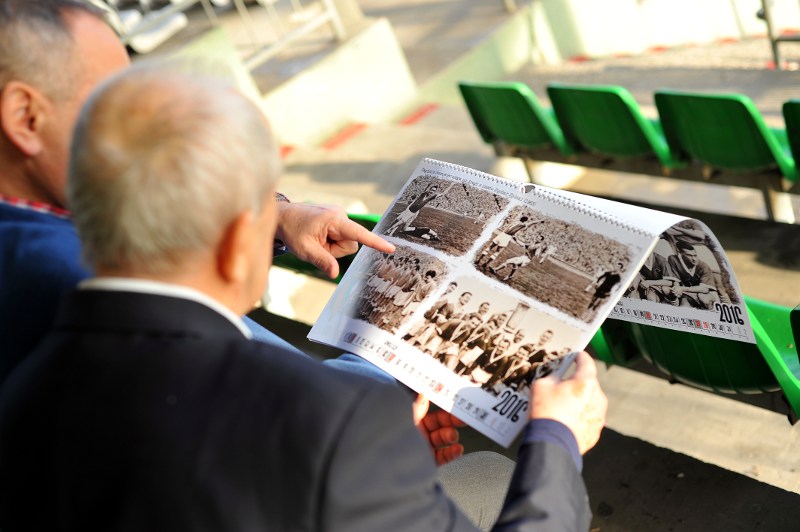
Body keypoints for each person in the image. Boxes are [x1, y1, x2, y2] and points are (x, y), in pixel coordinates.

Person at [0, 63, 607, 531]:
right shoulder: (332, 423)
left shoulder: (22, 389)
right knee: (497, 478)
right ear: (239, 243)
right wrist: (556, 441)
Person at [0, 0, 392, 386]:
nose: (138, 128)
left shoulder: (42, 222)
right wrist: (398, 344)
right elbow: (311, 405)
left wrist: (274, 214)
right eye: (110, 103)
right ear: (25, 117)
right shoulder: (76, 280)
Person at [667, 241, 721, 309]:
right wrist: (676, 288)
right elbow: (675, 279)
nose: (694, 259)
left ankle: (712, 313)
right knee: (683, 307)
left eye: (695, 255)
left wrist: (682, 288)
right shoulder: (673, 259)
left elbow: (704, 289)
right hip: (688, 292)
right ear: (680, 253)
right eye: (689, 255)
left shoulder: (703, 266)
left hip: (705, 293)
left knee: (705, 300)